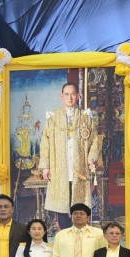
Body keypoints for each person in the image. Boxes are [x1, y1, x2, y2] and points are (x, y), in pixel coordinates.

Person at [40, 83, 102, 230]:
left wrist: (91, 159)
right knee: (62, 206)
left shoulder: (86, 117)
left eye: (73, 94)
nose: (70, 97)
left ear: (78, 96)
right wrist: (45, 167)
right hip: (59, 167)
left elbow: (95, 140)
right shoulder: (53, 117)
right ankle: (63, 235)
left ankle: (79, 234)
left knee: (78, 205)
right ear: (61, 96)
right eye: (66, 94)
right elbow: (45, 143)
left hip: (79, 167)